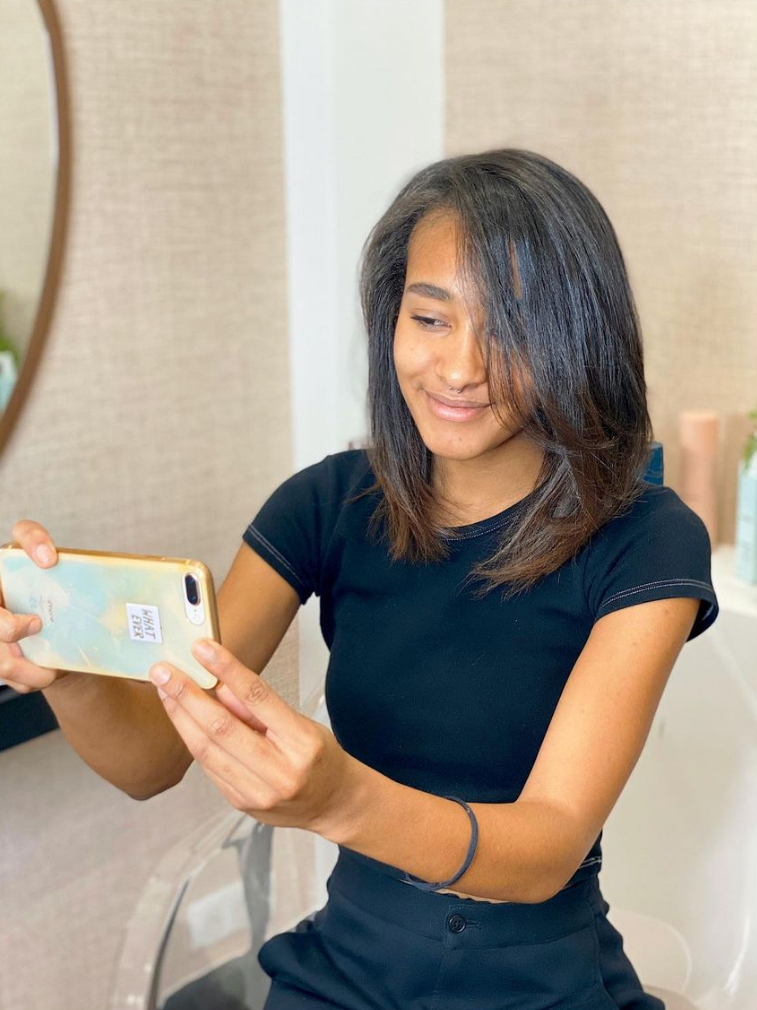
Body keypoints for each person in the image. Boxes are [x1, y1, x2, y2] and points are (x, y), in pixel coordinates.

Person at [0, 148, 719, 1010]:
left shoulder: (645, 540)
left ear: (576, 339)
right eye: (430, 319)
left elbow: (547, 848)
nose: (458, 370)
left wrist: (339, 801)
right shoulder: (328, 505)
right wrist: (66, 669)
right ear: (391, 321)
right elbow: (152, 757)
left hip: (540, 981)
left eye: (513, 328)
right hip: (344, 974)